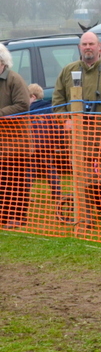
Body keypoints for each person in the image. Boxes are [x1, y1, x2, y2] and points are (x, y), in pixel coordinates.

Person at [51, 32, 101, 229]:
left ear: (99, 47)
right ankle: (86, 215)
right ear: (79, 47)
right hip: (80, 134)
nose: (88, 47)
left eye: (91, 44)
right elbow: (57, 100)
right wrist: (65, 120)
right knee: (84, 178)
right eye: (84, 44)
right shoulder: (68, 71)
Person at [0, 43, 31, 229]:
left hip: (16, 143)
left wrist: (1, 114)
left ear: (2, 61)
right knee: (3, 182)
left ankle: (17, 216)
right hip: (2, 144)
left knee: (16, 181)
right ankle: (4, 216)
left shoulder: (14, 79)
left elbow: (23, 105)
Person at [28, 83, 63, 201]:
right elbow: (56, 126)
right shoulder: (50, 109)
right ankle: (57, 193)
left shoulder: (29, 111)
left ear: (33, 97)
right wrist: (58, 141)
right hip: (48, 144)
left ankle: (25, 193)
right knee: (49, 168)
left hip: (32, 145)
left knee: (30, 169)